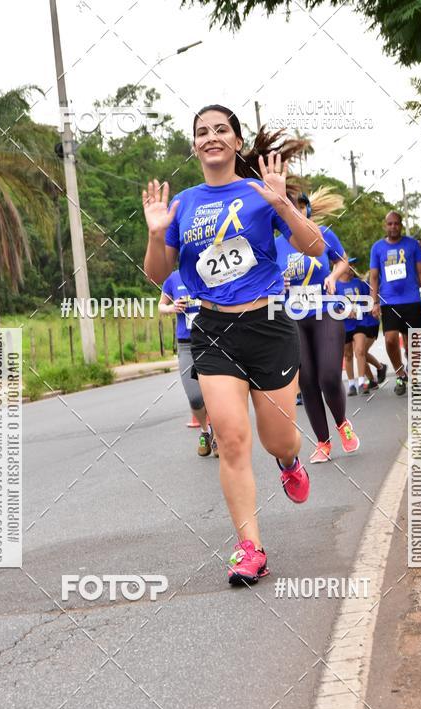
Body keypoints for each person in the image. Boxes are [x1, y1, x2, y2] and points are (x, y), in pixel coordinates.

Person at [143, 105, 326, 586]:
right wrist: (156, 234)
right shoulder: (183, 205)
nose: (211, 137)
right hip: (212, 328)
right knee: (230, 439)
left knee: (277, 439)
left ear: (237, 142)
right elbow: (159, 275)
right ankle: (250, 548)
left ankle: (289, 461)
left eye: (220, 129)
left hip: (268, 325)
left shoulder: (260, 194)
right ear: (194, 146)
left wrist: (284, 205)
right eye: (202, 132)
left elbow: (315, 248)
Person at [275, 188, 360, 464]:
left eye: (299, 207)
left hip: (326, 311)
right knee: (308, 381)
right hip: (292, 317)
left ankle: (342, 422)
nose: (295, 213)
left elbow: (342, 260)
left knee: (328, 377)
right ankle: (323, 442)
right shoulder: (275, 244)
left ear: (305, 211)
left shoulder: (322, 234)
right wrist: (276, 283)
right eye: (289, 208)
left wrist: (334, 276)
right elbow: (264, 277)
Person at [369, 212, 421, 396]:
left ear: (401, 225)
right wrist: (374, 302)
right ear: (385, 226)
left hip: (412, 300)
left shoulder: (412, 245)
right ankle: (399, 374)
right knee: (390, 339)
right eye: (390, 224)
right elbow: (374, 277)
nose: (393, 227)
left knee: (413, 342)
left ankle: (414, 376)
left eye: (396, 223)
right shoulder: (377, 248)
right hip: (389, 302)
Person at [159, 269, 218, 458]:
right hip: (186, 344)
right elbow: (161, 306)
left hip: (212, 340)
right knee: (195, 397)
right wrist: (172, 308)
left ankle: (218, 435)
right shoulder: (172, 278)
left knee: (215, 393)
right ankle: (205, 430)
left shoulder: (210, 269)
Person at [335, 265, 387, 395]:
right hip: (344, 324)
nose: (352, 268)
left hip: (360, 322)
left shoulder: (359, 283)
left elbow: (370, 296)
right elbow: (331, 303)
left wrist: (372, 306)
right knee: (348, 354)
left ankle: (362, 383)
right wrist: (342, 311)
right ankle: (351, 384)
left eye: (353, 266)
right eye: (349, 266)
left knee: (360, 350)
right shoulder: (335, 285)